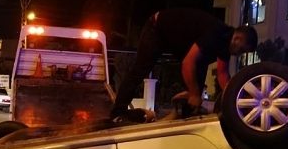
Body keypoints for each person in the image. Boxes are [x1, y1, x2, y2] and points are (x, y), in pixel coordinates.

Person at [110, 8, 258, 120]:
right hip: (156, 28)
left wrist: (236, 99)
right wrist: (194, 94)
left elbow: (223, 75)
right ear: (237, 38)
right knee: (141, 69)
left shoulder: (226, 45)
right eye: (242, 50)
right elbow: (188, 63)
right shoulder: (216, 34)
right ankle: (118, 112)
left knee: (200, 68)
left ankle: (186, 112)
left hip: (176, 40)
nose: (240, 54)